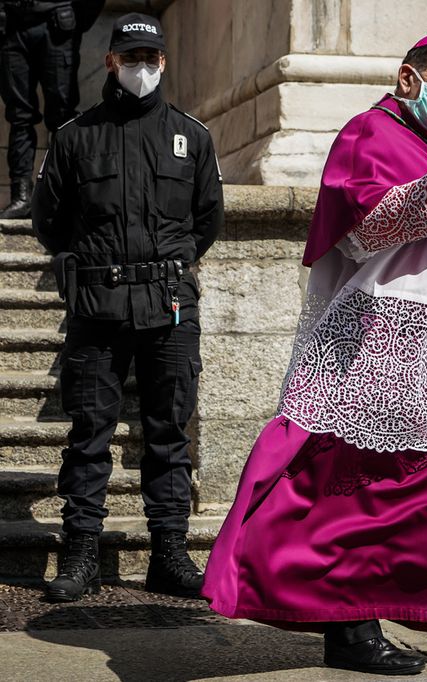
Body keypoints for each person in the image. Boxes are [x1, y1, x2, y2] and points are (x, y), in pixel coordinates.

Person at [202, 27, 427, 676]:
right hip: (380, 333)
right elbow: (363, 230)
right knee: (354, 488)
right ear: (407, 79)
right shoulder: (367, 133)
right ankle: (348, 628)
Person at [31, 13, 224, 602]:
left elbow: (207, 217)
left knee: (168, 434)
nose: (142, 68)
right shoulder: (73, 137)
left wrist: (172, 261)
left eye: (151, 58)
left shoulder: (192, 135)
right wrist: (80, 267)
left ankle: (169, 552)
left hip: (168, 307)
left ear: (163, 63)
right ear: (111, 61)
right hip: (98, 306)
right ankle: (80, 554)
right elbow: (49, 219)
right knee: (89, 434)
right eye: (130, 57)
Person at [0, 0, 103, 218]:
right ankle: (22, 196)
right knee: (19, 116)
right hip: (12, 26)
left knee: (62, 116)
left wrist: (75, 22)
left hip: (57, 25)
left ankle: (63, 195)